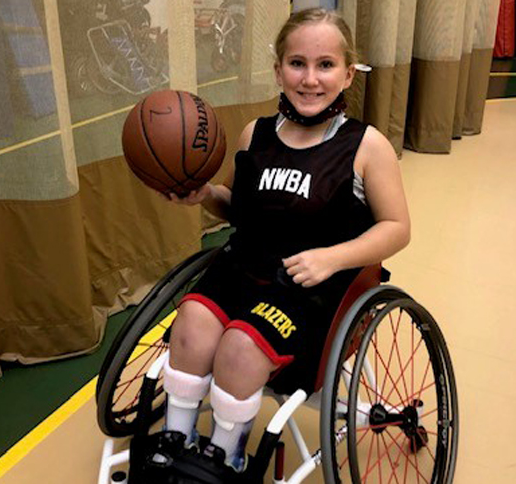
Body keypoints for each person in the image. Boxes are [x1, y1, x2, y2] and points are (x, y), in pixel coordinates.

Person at [162, 7, 410, 474]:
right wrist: (206, 194)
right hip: (244, 268)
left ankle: (224, 456)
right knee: (191, 324)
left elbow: (397, 227)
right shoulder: (255, 134)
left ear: (348, 73)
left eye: (325, 65)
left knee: (238, 346)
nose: (310, 79)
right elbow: (236, 205)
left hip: (310, 288)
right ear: (278, 71)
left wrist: (332, 258)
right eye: (297, 64)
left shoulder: (365, 146)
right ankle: (175, 438)